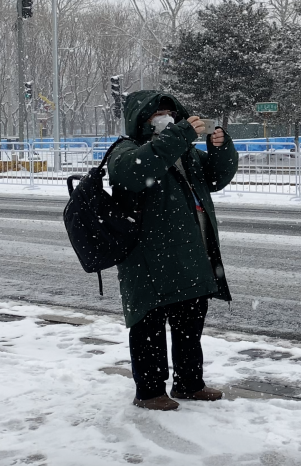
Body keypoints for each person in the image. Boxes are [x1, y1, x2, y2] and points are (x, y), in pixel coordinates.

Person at [107, 90, 238, 411]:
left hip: (190, 255)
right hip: (147, 258)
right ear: (141, 119)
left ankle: (189, 384)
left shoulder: (186, 154)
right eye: (156, 114)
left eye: (169, 112)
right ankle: (150, 392)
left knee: (189, 327)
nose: (165, 119)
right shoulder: (127, 149)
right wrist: (180, 136)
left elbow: (216, 178)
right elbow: (133, 172)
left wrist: (221, 150)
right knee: (148, 327)